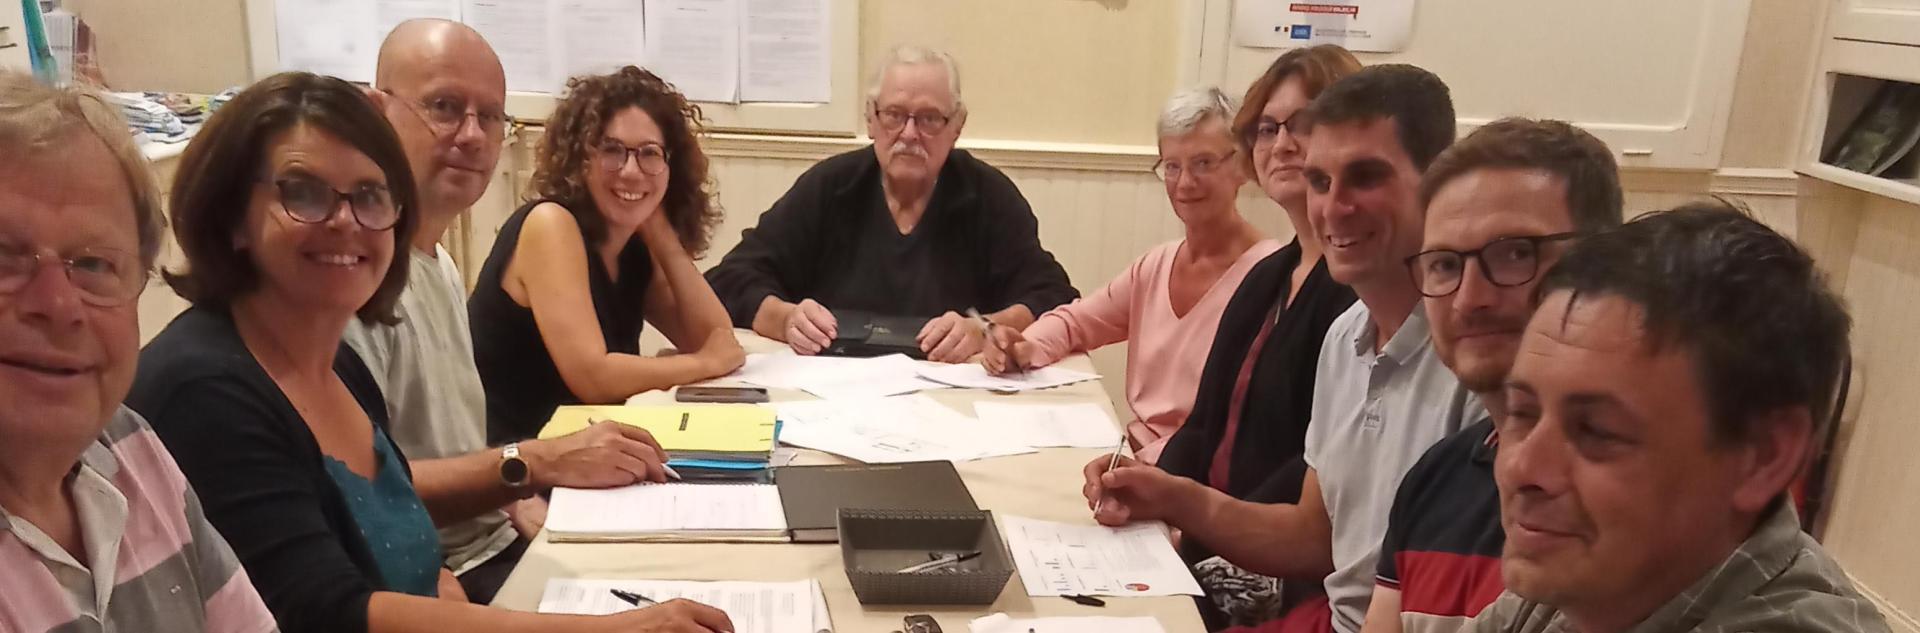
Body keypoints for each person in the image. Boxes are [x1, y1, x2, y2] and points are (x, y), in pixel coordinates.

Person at [127, 71, 731, 633]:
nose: (346, 221)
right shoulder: (206, 390)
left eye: (371, 196)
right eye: (305, 194)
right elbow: (324, 611)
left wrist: (449, 559)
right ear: (231, 215)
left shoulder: (334, 362)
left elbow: (385, 509)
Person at [1082, 65, 1472, 633]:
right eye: (1320, 181)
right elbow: (1313, 538)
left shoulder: (1472, 359)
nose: (1334, 207)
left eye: (1365, 177)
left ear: (1438, 185)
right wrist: (1170, 497)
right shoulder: (1346, 336)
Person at [343, 19, 673, 604]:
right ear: (376, 112)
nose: (472, 135)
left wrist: (512, 495)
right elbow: (358, 493)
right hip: (442, 576)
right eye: (444, 107)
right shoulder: (347, 285)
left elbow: (453, 447)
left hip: (500, 536)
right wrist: (530, 466)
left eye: (491, 116)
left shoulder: (440, 265)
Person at [1467, 201, 1886, 632]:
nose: (1521, 468)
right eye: (1523, 413)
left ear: (1764, 456)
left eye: (1596, 430)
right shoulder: (1594, 583)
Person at [0, 69, 277, 633]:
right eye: (2, 257)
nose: (59, 304)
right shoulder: (199, 382)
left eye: (94, 264)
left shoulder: (129, 446)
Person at [1357, 118, 1625, 633]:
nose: (1469, 299)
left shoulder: (1627, 501)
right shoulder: (1436, 476)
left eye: (1515, 254)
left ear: (1607, 263)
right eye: (1444, 265)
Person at [1148, 45, 1361, 628]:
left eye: (1303, 123)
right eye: (1267, 128)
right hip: (1212, 536)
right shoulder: (1267, 276)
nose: (1282, 143)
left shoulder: (1359, 293)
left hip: (1282, 565)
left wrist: (1196, 525)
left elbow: (1312, 470)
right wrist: (1149, 491)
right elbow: (1203, 424)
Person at [703, 46, 1078, 362]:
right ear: (871, 118)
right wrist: (785, 319)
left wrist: (984, 329)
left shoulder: (988, 196)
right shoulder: (830, 187)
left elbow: (1053, 296)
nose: (909, 134)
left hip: (954, 395)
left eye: (930, 119)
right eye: (894, 115)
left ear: (957, 126)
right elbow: (729, 280)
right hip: (835, 390)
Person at [981, 87, 1279, 465]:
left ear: (1242, 166)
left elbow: (1241, 428)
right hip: (1136, 461)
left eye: (1203, 163)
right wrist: (1024, 346)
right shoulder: (1156, 266)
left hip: (1195, 475)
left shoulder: (1271, 275)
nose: (1185, 183)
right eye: (1172, 166)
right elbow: (1076, 321)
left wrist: (1140, 471)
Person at [469, 66, 745, 445]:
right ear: (580, 159)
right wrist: (702, 364)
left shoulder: (634, 247)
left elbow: (715, 336)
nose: (631, 171)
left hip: (585, 449)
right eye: (612, 150)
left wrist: (663, 235)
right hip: (515, 462)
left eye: (650, 154)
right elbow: (593, 377)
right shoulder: (551, 225)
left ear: (672, 167)